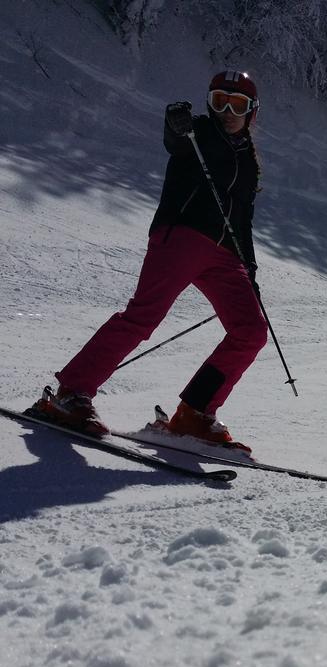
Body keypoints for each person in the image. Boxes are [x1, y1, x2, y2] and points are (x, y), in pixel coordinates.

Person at [32, 70, 266, 452]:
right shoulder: (198, 133)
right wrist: (176, 122)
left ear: (252, 112)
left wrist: (250, 269)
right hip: (183, 236)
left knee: (251, 331)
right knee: (143, 317)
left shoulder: (249, 161)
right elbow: (175, 139)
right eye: (219, 100)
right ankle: (71, 394)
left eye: (236, 104)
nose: (226, 110)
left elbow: (243, 219)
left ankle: (195, 413)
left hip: (226, 254)